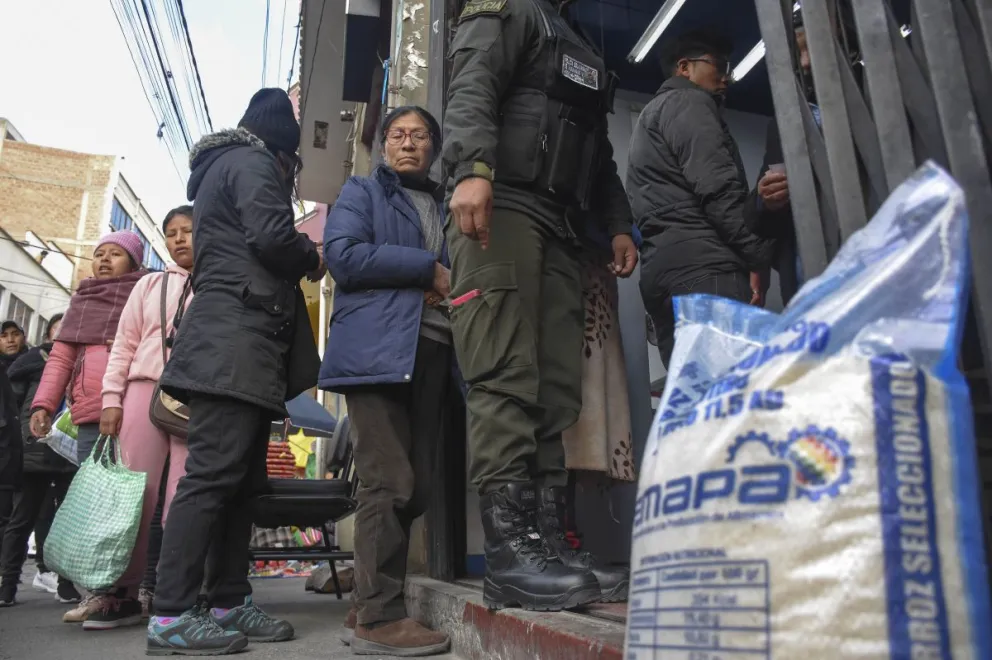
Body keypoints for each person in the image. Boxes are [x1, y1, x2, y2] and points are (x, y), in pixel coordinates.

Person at [443, 0, 637, 611]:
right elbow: (473, 81)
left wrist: (618, 224)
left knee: (556, 388)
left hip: (562, 224)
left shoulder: (575, 39)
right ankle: (510, 556)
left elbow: (596, 150)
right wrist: (473, 168)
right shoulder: (511, 12)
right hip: (506, 206)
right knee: (505, 374)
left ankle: (551, 544)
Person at [146, 88, 325, 656]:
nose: (291, 172)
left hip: (246, 342)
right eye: (293, 162)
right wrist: (311, 257)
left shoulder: (225, 168)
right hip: (234, 342)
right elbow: (273, 238)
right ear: (282, 148)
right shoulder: (251, 162)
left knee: (242, 486)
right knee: (210, 479)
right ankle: (171, 614)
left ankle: (228, 600)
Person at [321, 106, 454, 656]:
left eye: (419, 136)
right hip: (376, 349)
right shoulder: (361, 192)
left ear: (434, 147)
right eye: (398, 135)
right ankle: (378, 617)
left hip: (436, 346)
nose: (408, 144)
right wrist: (425, 267)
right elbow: (342, 256)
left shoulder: (449, 203)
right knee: (389, 479)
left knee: (420, 484)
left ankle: (366, 601)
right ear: (383, 146)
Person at [58, 206, 194, 630]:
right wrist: (112, 398)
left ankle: (176, 592)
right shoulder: (150, 285)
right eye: (171, 233)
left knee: (184, 497)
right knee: (133, 497)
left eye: (189, 231)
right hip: (141, 389)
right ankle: (119, 594)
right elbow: (124, 343)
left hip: (198, 395)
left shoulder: (221, 282)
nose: (179, 239)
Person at [626, 29, 776, 368]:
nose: (727, 77)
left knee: (691, 404)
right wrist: (759, 259)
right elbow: (718, 190)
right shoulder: (690, 103)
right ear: (685, 67)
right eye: (719, 66)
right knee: (727, 399)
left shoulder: (650, 117)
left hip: (662, 272)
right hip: (705, 269)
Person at [28, 230, 146, 620]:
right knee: (95, 504)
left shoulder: (144, 294)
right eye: (99, 254)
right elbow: (60, 359)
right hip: (90, 419)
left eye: (116, 254)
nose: (105, 260)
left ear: (134, 262)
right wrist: (44, 404)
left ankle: (138, 587)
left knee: (137, 504)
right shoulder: (81, 302)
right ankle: (99, 592)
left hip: (134, 413)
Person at [0, 314, 80, 608]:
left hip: (68, 451)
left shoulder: (81, 361)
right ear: (48, 334)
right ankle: (7, 585)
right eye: (58, 330)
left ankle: (65, 583)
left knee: (67, 520)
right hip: (34, 450)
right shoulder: (32, 362)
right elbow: (12, 408)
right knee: (22, 518)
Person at [749, 11, 818, 307]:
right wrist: (766, 200)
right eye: (797, 53)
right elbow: (753, 213)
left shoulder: (876, 105)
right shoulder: (785, 122)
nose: (805, 63)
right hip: (808, 267)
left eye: (811, 49)